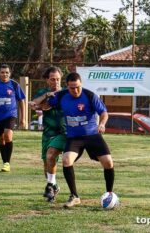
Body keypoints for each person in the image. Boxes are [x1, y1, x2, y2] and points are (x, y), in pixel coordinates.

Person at [47, 72, 115, 208]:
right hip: (74, 138)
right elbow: (47, 104)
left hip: (92, 135)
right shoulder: (61, 96)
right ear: (67, 86)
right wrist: (39, 102)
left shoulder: (89, 96)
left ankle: (109, 194)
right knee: (66, 160)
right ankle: (74, 196)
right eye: (72, 88)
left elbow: (104, 112)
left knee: (108, 162)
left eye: (78, 87)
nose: (75, 90)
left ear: (81, 84)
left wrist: (102, 124)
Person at [29, 66, 66, 202]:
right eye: (52, 79)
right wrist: (46, 96)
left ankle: (52, 187)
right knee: (47, 162)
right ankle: (53, 185)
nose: (55, 82)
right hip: (48, 132)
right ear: (47, 80)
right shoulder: (43, 92)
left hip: (63, 132)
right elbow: (33, 104)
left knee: (52, 155)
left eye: (58, 79)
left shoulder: (66, 92)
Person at [0, 64, 26, 172]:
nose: (5, 74)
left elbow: (21, 101)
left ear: (10, 73)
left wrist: (23, 118)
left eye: (7, 72)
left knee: (8, 135)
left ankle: (7, 163)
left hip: (11, 115)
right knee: (1, 139)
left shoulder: (14, 85)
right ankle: (5, 162)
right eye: (2, 72)